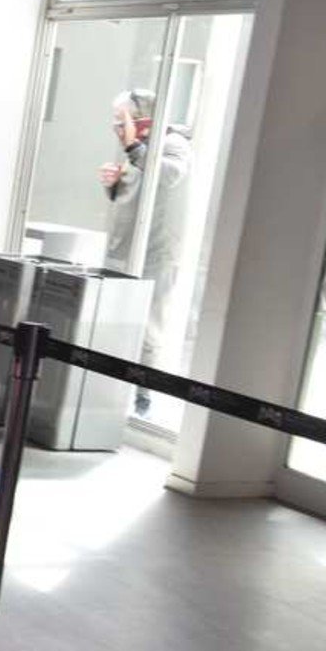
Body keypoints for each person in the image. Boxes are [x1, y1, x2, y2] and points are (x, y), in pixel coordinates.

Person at [99, 87, 193, 414]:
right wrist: (114, 185)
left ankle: (143, 397)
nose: (117, 126)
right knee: (116, 322)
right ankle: (112, 391)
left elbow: (168, 177)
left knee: (149, 326)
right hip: (126, 250)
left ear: (142, 118)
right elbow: (132, 198)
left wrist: (132, 147)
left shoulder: (172, 144)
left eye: (121, 119)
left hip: (156, 254)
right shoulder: (139, 150)